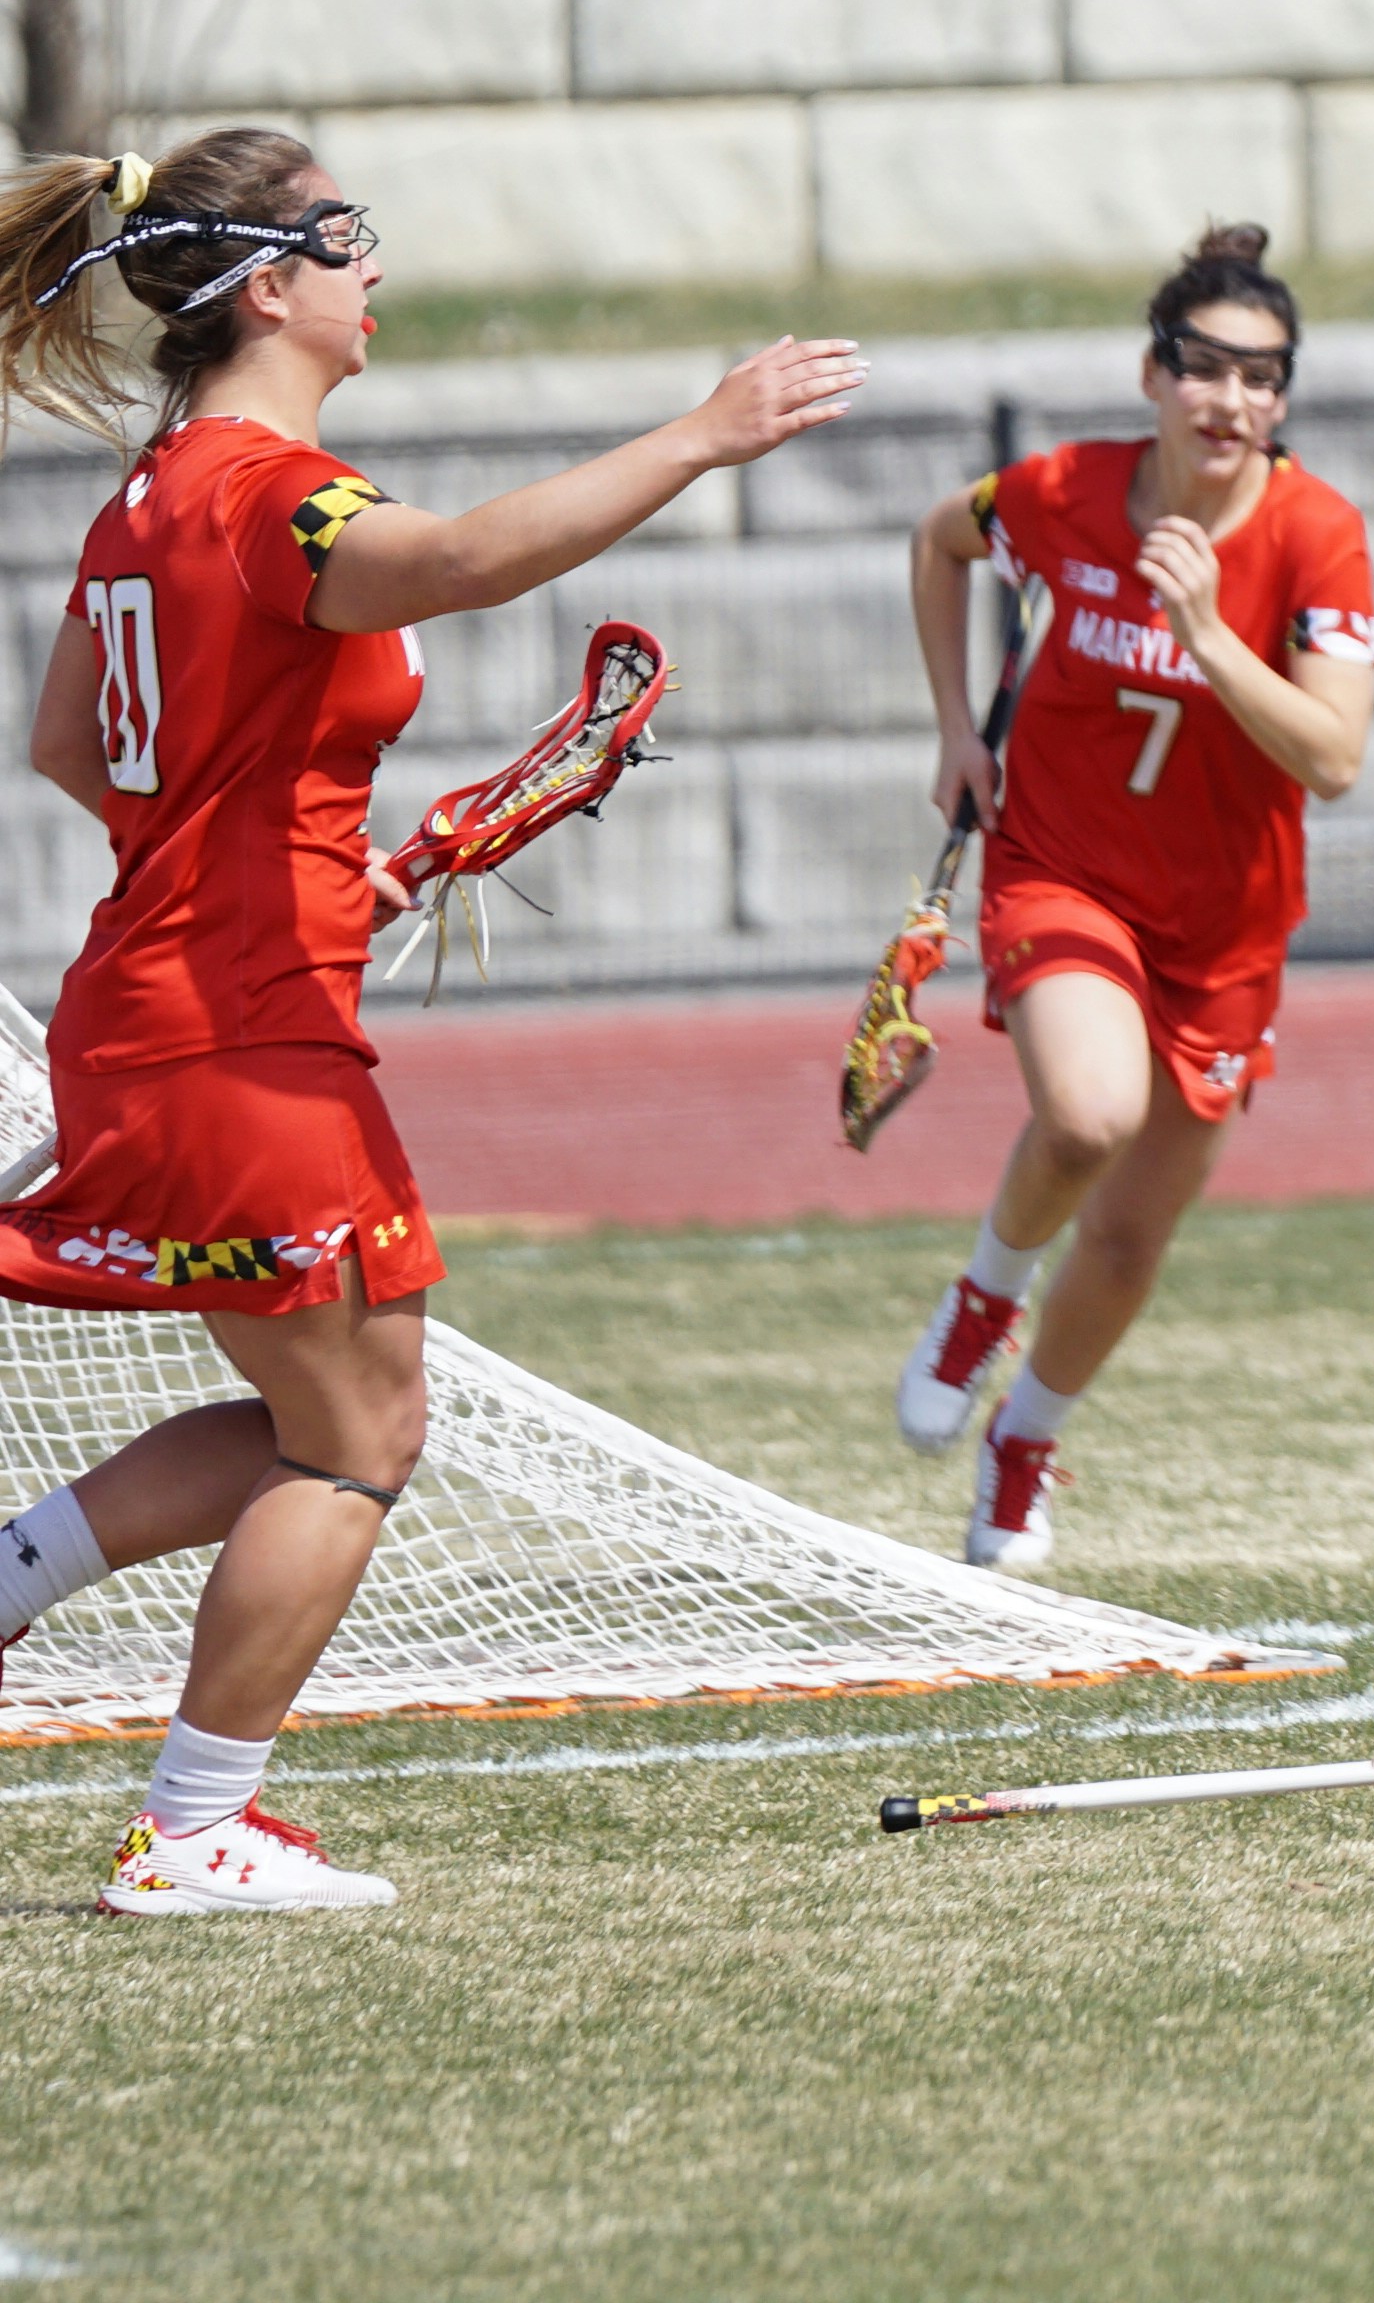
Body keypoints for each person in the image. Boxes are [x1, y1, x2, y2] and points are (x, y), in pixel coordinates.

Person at [0, 131, 860, 1910]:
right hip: (237, 1032)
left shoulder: (149, 496)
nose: (371, 265)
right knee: (359, 1437)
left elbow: (80, 750)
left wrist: (309, 873)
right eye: (343, 236)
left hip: (171, 1001)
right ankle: (189, 1828)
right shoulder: (258, 489)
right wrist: (705, 432)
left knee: (322, 1408)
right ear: (264, 283)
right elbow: (459, 560)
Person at [885, 226, 1374, 1574]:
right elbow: (940, 543)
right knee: (1089, 1114)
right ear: (1154, 376)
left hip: (1226, 925)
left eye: (1262, 379)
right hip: (1064, 868)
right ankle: (982, 1300)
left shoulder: (1320, 537)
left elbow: (1333, 756)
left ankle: (1024, 1441)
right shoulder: (1058, 489)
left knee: (1133, 1230)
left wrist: (1211, 630)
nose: (1232, 400)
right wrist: (954, 730)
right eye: (1205, 369)